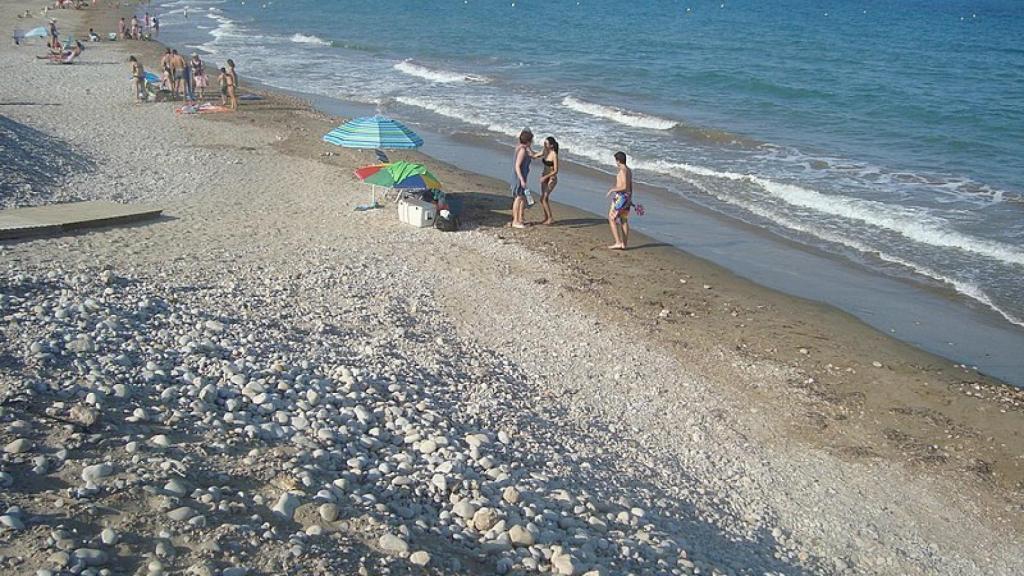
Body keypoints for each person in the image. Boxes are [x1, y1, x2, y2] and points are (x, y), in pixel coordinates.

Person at [606, 151, 633, 250]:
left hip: (621, 198)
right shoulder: (629, 170)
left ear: (618, 161)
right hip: (627, 197)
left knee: (611, 218)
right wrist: (630, 197)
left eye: (616, 161)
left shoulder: (623, 170)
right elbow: (630, 186)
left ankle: (618, 242)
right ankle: (624, 244)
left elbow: (624, 186)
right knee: (624, 220)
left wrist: (612, 189)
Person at [510, 129, 535, 229]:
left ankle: (520, 219)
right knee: (518, 197)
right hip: (519, 177)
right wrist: (522, 180)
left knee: (523, 197)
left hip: (522, 176)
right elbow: (517, 166)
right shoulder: (522, 150)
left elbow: (533, 155)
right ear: (528, 141)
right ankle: (515, 221)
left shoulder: (523, 148)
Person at [538, 136, 559, 225]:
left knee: (543, 198)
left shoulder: (554, 155)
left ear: (551, 145)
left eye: (546, 143)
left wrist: (546, 177)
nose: (544, 145)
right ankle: (546, 217)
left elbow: (556, 170)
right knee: (543, 199)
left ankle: (550, 218)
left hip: (551, 178)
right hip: (544, 176)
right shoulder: (545, 151)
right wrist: (527, 149)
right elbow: (535, 155)